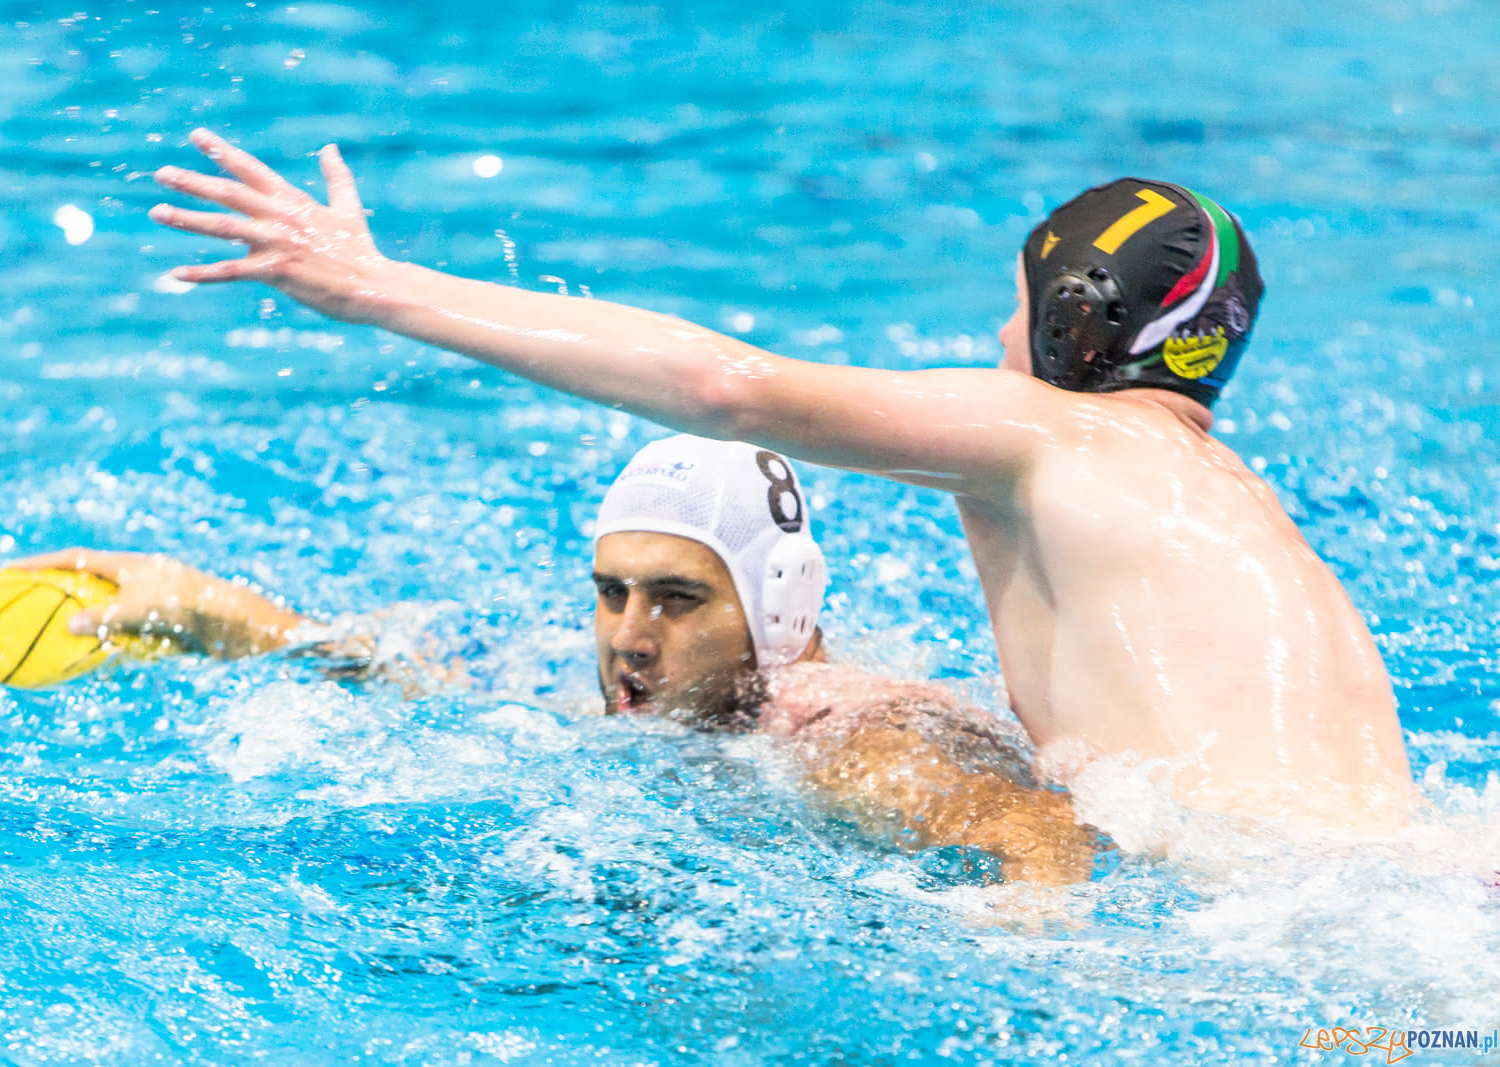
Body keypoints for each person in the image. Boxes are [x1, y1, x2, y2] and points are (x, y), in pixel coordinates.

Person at [146, 130, 1414, 824]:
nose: (991, 345)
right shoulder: (1234, 511)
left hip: (1251, 934)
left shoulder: (1045, 433)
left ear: (1073, 322)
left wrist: (374, 288)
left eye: (1008, 311)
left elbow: (727, 385)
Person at [21, 435, 1095, 884]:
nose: (628, 635)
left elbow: (1033, 830)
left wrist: (1028, 931)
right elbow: (416, 678)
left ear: (777, 606)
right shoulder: (673, 707)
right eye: (609, 591)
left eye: (676, 598)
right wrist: (209, 611)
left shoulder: (842, 738)